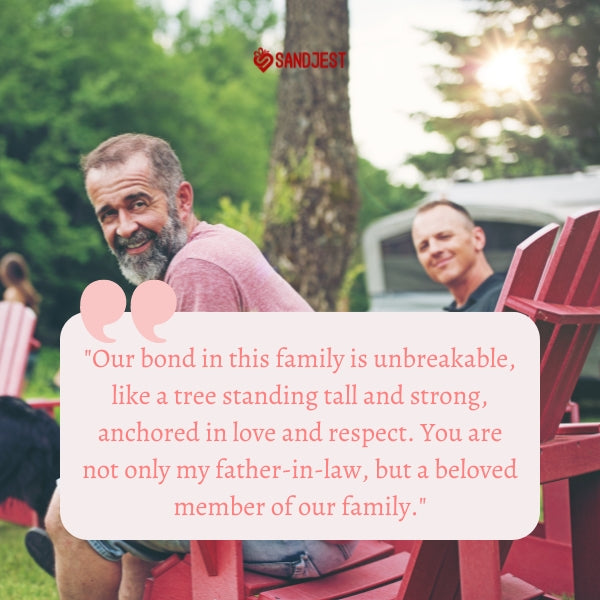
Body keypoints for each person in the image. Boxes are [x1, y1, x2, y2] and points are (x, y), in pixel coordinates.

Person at [27, 133, 356, 600]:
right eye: (109, 214)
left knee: (72, 510)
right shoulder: (212, 247)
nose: (124, 227)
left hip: (302, 529)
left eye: (138, 204)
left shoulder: (202, 268)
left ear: (182, 198)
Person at [410, 199, 505, 312]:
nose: (434, 250)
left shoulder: (504, 301)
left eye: (444, 237)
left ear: (477, 239)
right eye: (424, 246)